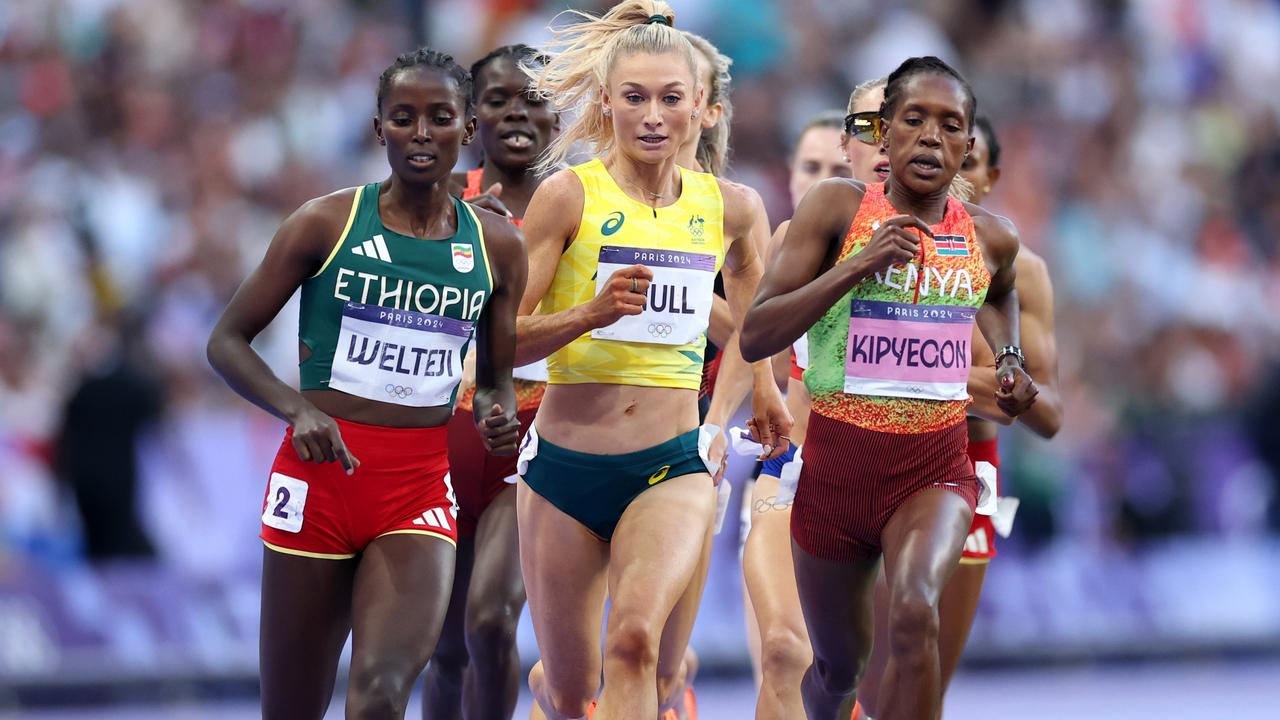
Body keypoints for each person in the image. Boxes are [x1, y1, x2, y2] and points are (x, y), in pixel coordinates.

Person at [205, 48, 525, 720]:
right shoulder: (325, 223)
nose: (420, 132)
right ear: (379, 129)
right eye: (402, 118)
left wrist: (498, 412)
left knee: (378, 697)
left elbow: (496, 380)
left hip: (416, 491)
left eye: (439, 118)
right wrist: (298, 411)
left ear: (467, 131)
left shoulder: (496, 246)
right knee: (291, 710)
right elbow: (226, 341)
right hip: (317, 482)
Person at [741, 56, 1038, 720]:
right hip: (836, 476)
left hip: (934, 472)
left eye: (949, 126)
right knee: (835, 671)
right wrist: (861, 264)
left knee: (913, 612)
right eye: (914, 120)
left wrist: (1011, 361)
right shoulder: (835, 209)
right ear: (885, 133)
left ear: (967, 146)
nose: (931, 137)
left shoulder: (989, 238)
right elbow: (756, 335)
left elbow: (1004, 286)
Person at [514, 3, 788, 718]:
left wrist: (762, 392)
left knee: (635, 643)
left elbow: (754, 317)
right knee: (575, 696)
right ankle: (551, 692)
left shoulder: (731, 207)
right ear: (606, 102)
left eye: (671, 98)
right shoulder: (567, 197)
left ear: (703, 107)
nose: (653, 115)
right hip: (564, 469)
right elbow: (499, 342)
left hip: (671, 462)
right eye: (634, 97)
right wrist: (590, 315)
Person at [855, 114, 1064, 719]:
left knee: (923, 682)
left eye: (968, 161)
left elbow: (1046, 415)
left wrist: (948, 377)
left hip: (969, 469)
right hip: (873, 454)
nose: (951, 171)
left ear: (990, 175)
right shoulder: (876, 243)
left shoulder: (1022, 273)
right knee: (856, 680)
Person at [420, 43, 557, 720]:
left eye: (534, 98)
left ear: (559, 114)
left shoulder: (588, 205)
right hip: (442, 444)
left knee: (494, 622)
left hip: (532, 444)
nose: (517, 113)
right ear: (471, 117)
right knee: (443, 650)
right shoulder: (437, 199)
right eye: (498, 99)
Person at [739, 106, 858, 719]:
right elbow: (748, 342)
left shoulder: (935, 246)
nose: (824, 179)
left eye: (837, 167)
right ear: (789, 174)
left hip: (885, 479)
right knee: (784, 653)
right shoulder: (785, 243)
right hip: (790, 469)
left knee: (853, 678)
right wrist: (710, 432)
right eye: (812, 167)